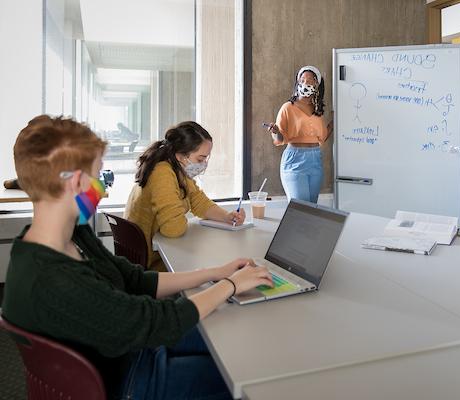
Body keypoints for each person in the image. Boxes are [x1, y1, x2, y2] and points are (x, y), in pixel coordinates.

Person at [1, 115, 273, 399]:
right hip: (131, 377)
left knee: (234, 343)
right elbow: (152, 321)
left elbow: (134, 279)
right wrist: (230, 286)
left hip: (130, 349)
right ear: (75, 183)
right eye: (99, 177)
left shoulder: (72, 236)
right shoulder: (53, 278)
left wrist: (215, 273)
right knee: (246, 378)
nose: (102, 189)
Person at [125, 121, 245, 271]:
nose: (204, 164)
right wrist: (181, 211)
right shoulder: (162, 173)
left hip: (153, 253)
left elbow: (199, 202)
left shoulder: (177, 170)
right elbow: (173, 229)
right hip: (150, 264)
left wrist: (227, 217)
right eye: (200, 159)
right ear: (181, 156)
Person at [266, 65, 333, 203]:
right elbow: (280, 139)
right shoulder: (288, 107)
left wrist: (335, 120)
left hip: (315, 159)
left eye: (309, 80)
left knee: (311, 209)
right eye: (302, 80)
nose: (305, 83)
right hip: (294, 159)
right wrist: (276, 131)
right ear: (297, 83)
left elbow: (323, 137)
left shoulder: (317, 110)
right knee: (300, 208)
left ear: (317, 84)